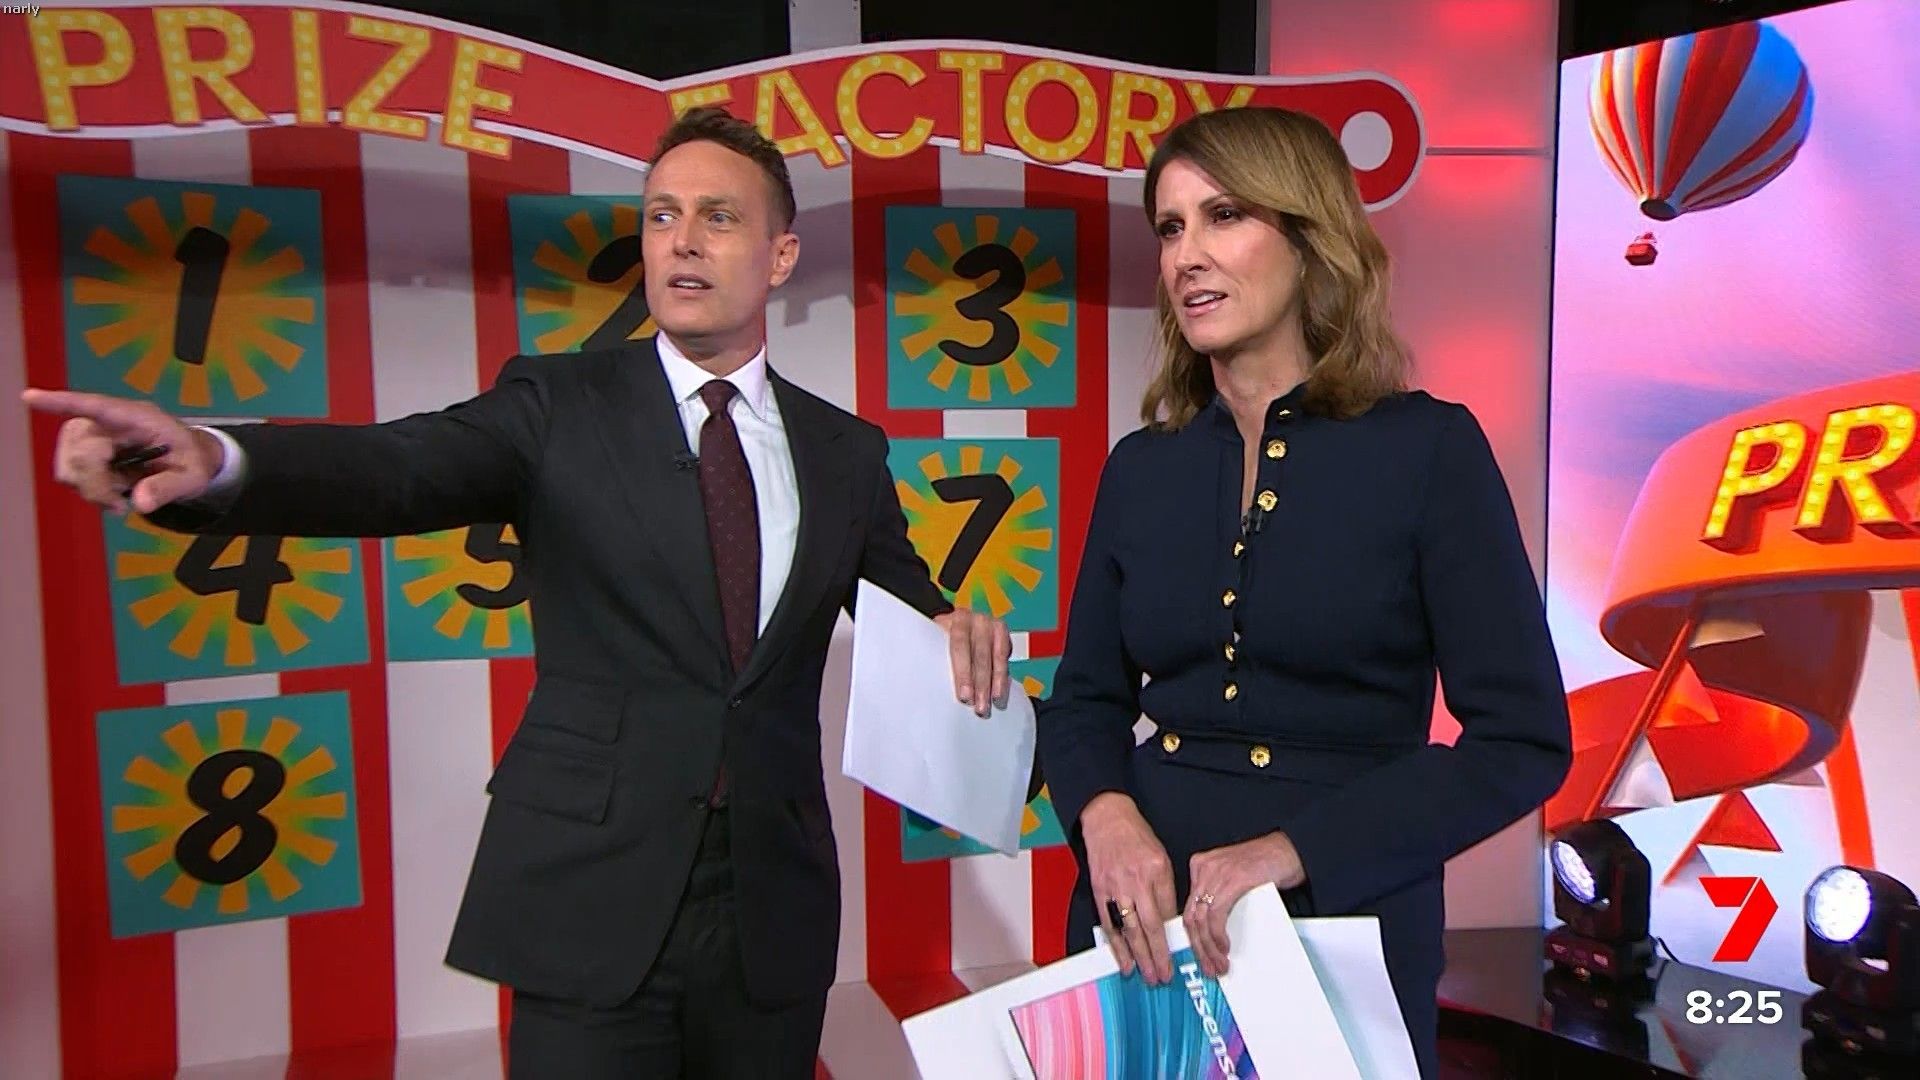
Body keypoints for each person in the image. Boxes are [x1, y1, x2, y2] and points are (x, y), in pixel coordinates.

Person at [24, 107, 1012, 1078]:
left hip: (770, 914)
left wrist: (959, 636)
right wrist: (217, 459)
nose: (682, 241)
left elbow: (915, 617)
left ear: (780, 256)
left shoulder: (846, 451)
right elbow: (391, 469)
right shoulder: (555, 404)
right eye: (662, 215)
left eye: (718, 217)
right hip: (587, 901)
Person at [1035, 106, 1572, 1079]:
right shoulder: (1141, 467)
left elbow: (1522, 741)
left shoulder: (1428, 450)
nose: (1188, 255)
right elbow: (1084, 702)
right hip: (1142, 924)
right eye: (1170, 227)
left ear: (1308, 235)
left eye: (1224, 216)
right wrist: (1104, 818)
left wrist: (1293, 849)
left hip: (1343, 915)